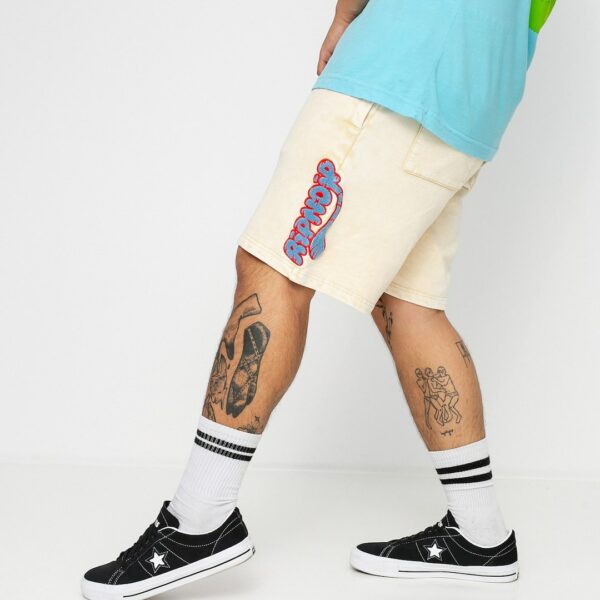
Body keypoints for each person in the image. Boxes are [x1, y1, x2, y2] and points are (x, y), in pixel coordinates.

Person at [81, 0, 556, 597]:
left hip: (401, 67)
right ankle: (481, 532)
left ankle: (200, 519)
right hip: (479, 93)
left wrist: (344, 16)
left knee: (274, 269)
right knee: (408, 303)